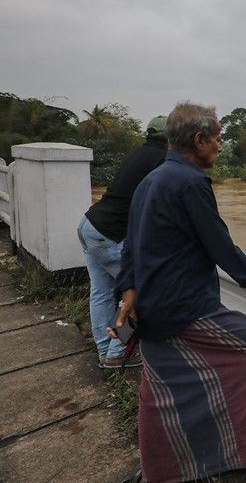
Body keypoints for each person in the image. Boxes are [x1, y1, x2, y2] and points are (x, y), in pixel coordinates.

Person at [111, 102, 246, 482]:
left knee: (162, 390)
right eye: (217, 139)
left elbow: (131, 242)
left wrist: (127, 289)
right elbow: (220, 246)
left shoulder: (151, 180)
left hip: (150, 310)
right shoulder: (191, 183)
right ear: (199, 140)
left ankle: (158, 470)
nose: (220, 146)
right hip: (183, 307)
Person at [77, 115, 168, 368]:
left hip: (89, 224)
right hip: (111, 234)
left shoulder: (137, 153)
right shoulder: (163, 159)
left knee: (101, 291)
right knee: (139, 290)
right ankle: (117, 352)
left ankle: (105, 350)